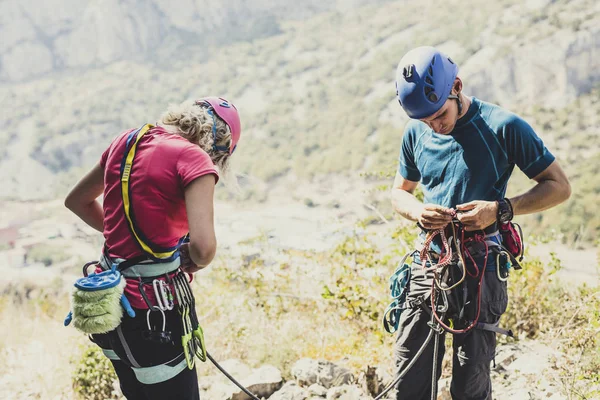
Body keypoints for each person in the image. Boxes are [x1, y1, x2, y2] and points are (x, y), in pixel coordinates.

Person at [390, 46, 570, 400]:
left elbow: (559, 187)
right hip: (429, 261)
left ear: (456, 86)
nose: (434, 127)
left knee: (470, 382)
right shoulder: (417, 132)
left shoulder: (504, 127)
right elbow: (399, 193)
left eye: (439, 115)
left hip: (481, 266)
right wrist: (417, 211)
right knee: (409, 376)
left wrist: (500, 210)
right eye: (425, 121)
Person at [65, 97, 241, 400]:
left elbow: (77, 201)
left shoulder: (126, 140)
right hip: (156, 313)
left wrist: (128, 240)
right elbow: (203, 248)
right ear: (219, 147)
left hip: (108, 305)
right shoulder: (195, 159)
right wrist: (189, 257)